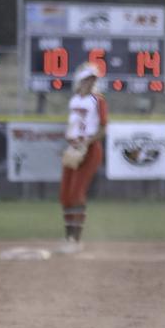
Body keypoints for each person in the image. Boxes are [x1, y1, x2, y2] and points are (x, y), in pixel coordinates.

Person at [57, 61, 108, 254]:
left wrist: (86, 144)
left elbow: (103, 128)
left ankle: (75, 241)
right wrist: (70, 144)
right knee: (65, 194)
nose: (90, 82)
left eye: (92, 79)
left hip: (90, 148)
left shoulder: (98, 100)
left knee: (77, 193)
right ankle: (68, 238)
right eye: (87, 79)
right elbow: (73, 126)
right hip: (74, 147)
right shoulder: (75, 99)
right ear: (80, 80)